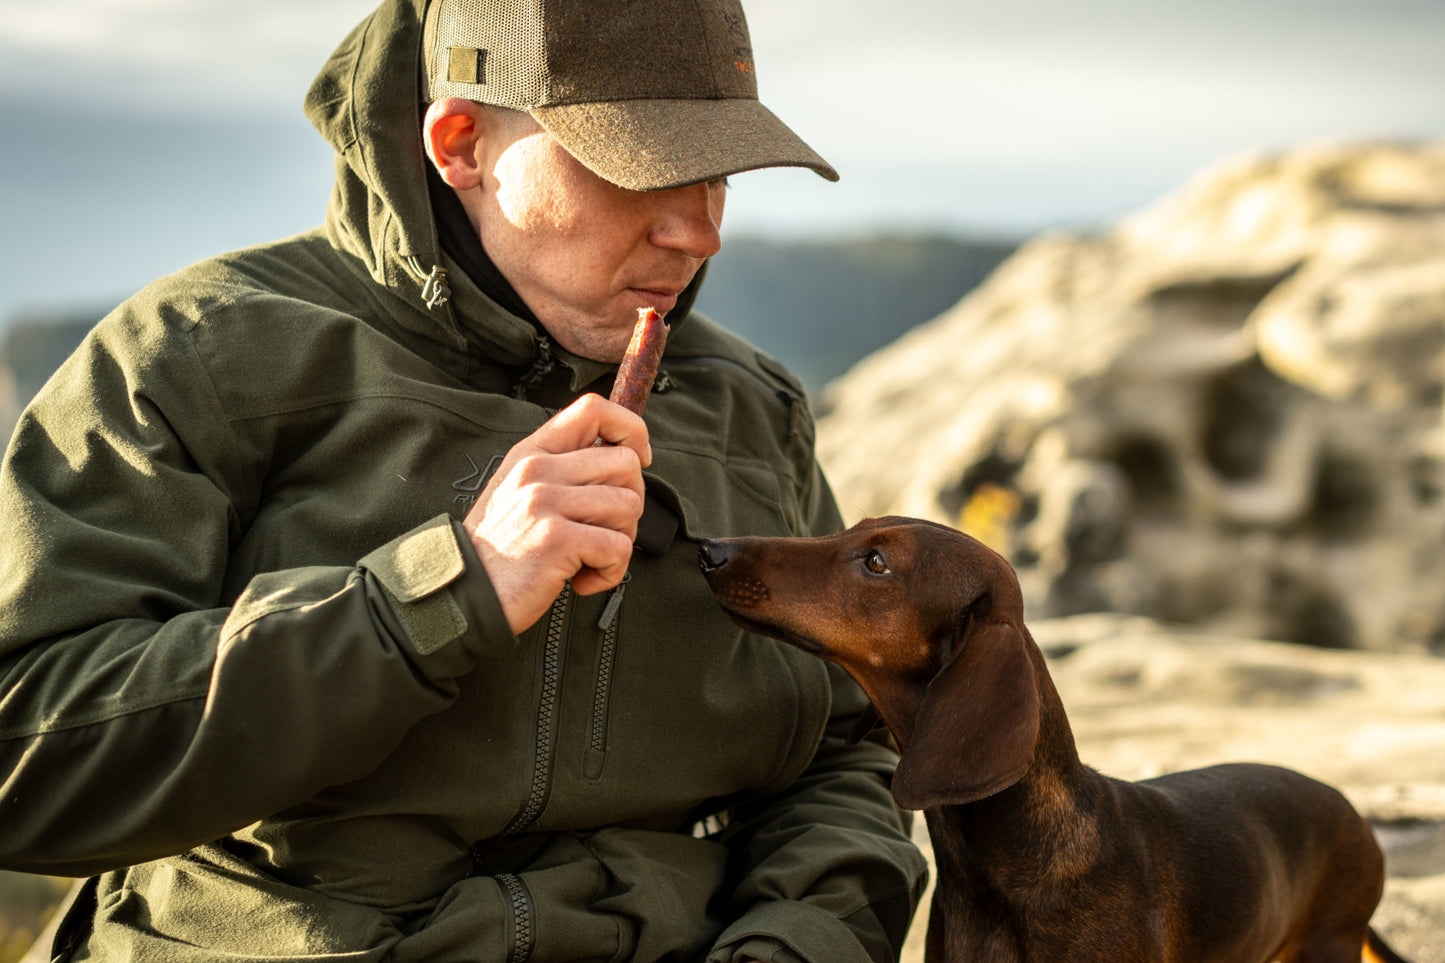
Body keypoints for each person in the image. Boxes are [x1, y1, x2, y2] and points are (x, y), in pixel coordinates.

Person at [0, 0, 928, 960]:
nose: (699, 233)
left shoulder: (751, 406)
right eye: (647, 167)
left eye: (720, 175)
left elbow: (844, 752)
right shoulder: (199, 355)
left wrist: (798, 944)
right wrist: (436, 596)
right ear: (460, 144)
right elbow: (23, 762)